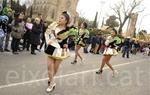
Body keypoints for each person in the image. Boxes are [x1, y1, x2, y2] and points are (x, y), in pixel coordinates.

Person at [45, 11, 76, 92]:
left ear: (66, 21)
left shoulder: (69, 30)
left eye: (62, 18)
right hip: (51, 47)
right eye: (59, 17)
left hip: (61, 50)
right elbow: (47, 33)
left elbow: (74, 40)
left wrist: (67, 44)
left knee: (55, 68)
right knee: (49, 67)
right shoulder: (54, 25)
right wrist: (48, 40)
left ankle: (50, 78)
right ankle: (52, 83)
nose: (59, 19)